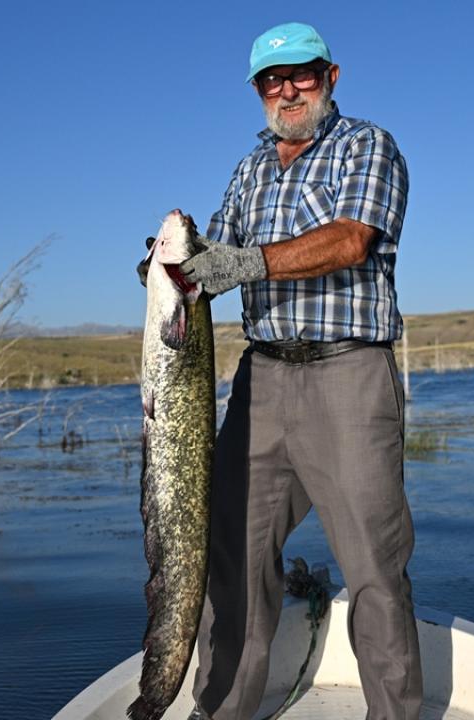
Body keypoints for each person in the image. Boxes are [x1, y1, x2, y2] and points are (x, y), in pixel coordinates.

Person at [158, 21, 422, 720]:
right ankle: (217, 709)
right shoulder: (248, 171)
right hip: (261, 382)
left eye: (301, 73)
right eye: (272, 80)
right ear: (257, 91)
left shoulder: (367, 146)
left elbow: (351, 239)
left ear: (331, 76)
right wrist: (177, 271)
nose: (287, 90)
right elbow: (216, 256)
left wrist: (247, 263)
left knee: (374, 567)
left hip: (348, 377)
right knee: (233, 559)